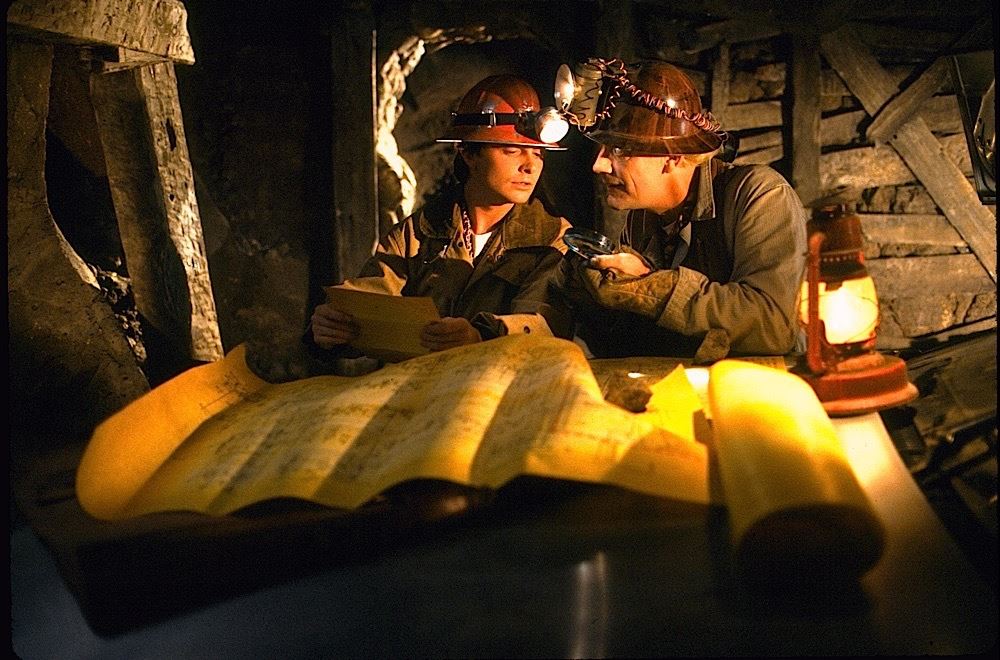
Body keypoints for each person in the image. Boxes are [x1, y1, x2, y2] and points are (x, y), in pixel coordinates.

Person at [309, 74, 574, 361]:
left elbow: (542, 323)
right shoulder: (419, 233)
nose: (529, 166)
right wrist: (334, 325)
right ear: (469, 154)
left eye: (538, 153)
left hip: (503, 384)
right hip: (425, 383)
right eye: (511, 150)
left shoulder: (552, 238)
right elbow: (370, 297)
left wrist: (480, 336)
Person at [557, 59, 807, 361]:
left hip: (765, 383)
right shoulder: (641, 218)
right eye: (602, 149)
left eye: (620, 150)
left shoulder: (758, 195)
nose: (599, 165)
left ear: (673, 157)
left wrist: (651, 285)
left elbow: (772, 324)